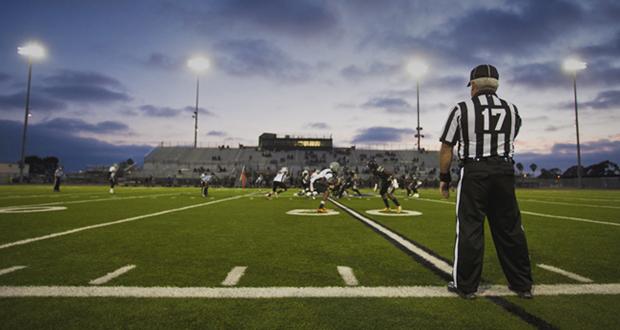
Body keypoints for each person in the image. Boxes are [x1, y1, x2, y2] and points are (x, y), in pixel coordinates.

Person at [439, 64, 533, 300]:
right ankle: (522, 284)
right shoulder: (512, 109)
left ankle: (466, 286)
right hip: (503, 170)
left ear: (474, 85)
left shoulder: (462, 108)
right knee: (510, 228)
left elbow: (447, 146)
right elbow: (513, 133)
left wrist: (444, 177)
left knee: (470, 228)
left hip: (475, 171)